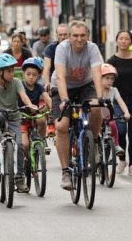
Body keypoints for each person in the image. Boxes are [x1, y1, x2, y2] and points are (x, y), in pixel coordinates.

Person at [53, 20, 104, 190]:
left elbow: (97, 73)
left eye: (83, 35)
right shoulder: (62, 48)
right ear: (68, 37)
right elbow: (60, 76)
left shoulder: (93, 48)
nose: (79, 39)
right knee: (62, 126)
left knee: (96, 107)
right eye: (75, 35)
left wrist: (101, 97)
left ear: (87, 36)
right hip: (62, 87)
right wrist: (65, 100)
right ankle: (66, 171)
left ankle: (94, 143)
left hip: (85, 86)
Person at [0, 53, 38, 193]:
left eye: (12, 70)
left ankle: (19, 178)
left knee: (21, 145)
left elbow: (24, 96)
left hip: (13, 116)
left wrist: (31, 106)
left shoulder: (16, 82)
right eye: (9, 71)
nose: (12, 73)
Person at [106, 30, 132, 176]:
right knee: (121, 131)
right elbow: (105, 80)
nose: (123, 41)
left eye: (126, 39)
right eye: (121, 38)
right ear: (117, 41)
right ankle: (122, 160)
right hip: (117, 101)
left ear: (130, 42)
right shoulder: (111, 61)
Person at [99, 63, 131, 165]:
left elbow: (121, 102)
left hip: (108, 115)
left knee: (113, 124)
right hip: (97, 116)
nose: (110, 81)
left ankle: (116, 145)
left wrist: (126, 112)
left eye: (112, 79)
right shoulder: (95, 89)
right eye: (107, 78)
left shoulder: (114, 90)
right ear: (99, 78)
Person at [19, 57, 52, 153]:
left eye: (34, 75)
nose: (31, 77)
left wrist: (52, 108)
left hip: (34, 114)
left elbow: (47, 98)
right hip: (22, 116)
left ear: (38, 76)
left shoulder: (39, 87)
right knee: (25, 145)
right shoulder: (20, 85)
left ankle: (42, 140)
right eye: (28, 74)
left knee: (41, 119)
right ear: (23, 74)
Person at [41, 24, 69, 88]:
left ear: (69, 34)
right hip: (54, 82)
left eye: (65, 34)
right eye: (60, 35)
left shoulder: (74, 47)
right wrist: (47, 84)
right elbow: (46, 68)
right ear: (56, 36)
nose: (63, 37)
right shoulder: (50, 48)